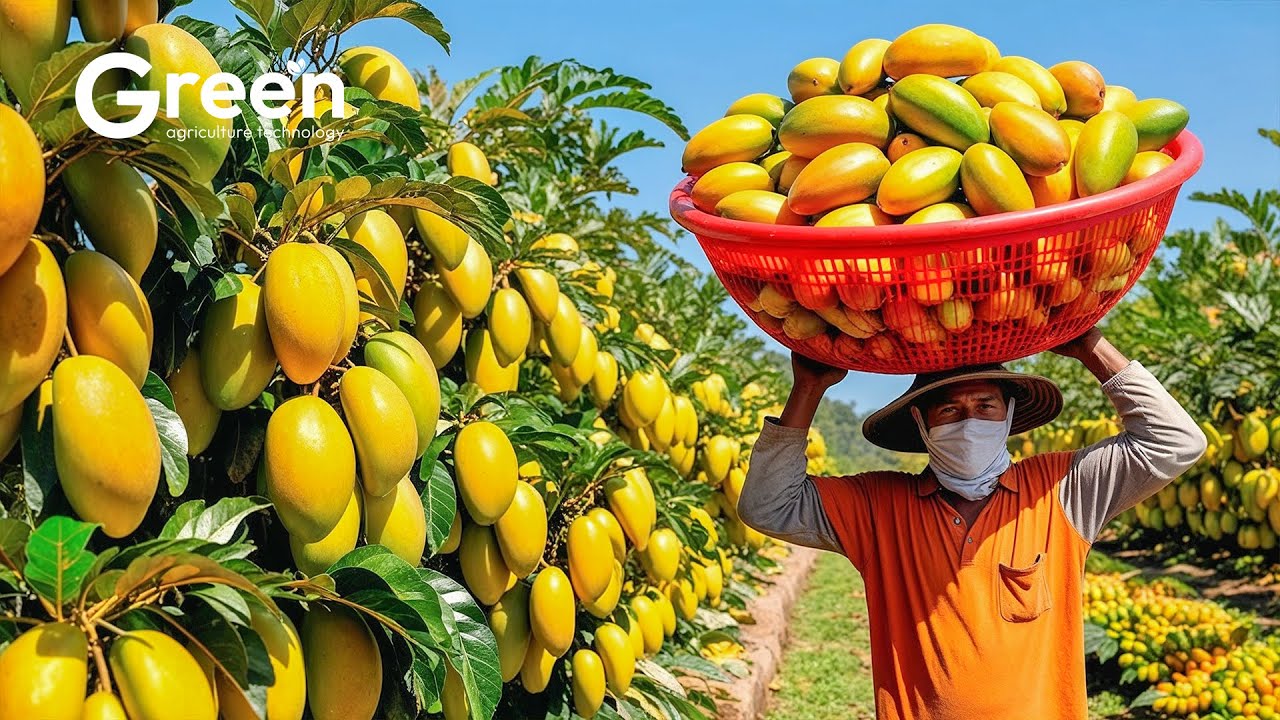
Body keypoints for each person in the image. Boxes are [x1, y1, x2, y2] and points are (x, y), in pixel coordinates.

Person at [738, 327, 1206, 720]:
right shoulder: (879, 506)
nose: (969, 423)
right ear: (921, 422)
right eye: (950, 411)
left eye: (985, 407)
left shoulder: (1062, 488)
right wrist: (807, 389)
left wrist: (1090, 347)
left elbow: (1176, 442)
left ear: (1008, 416)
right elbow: (767, 504)